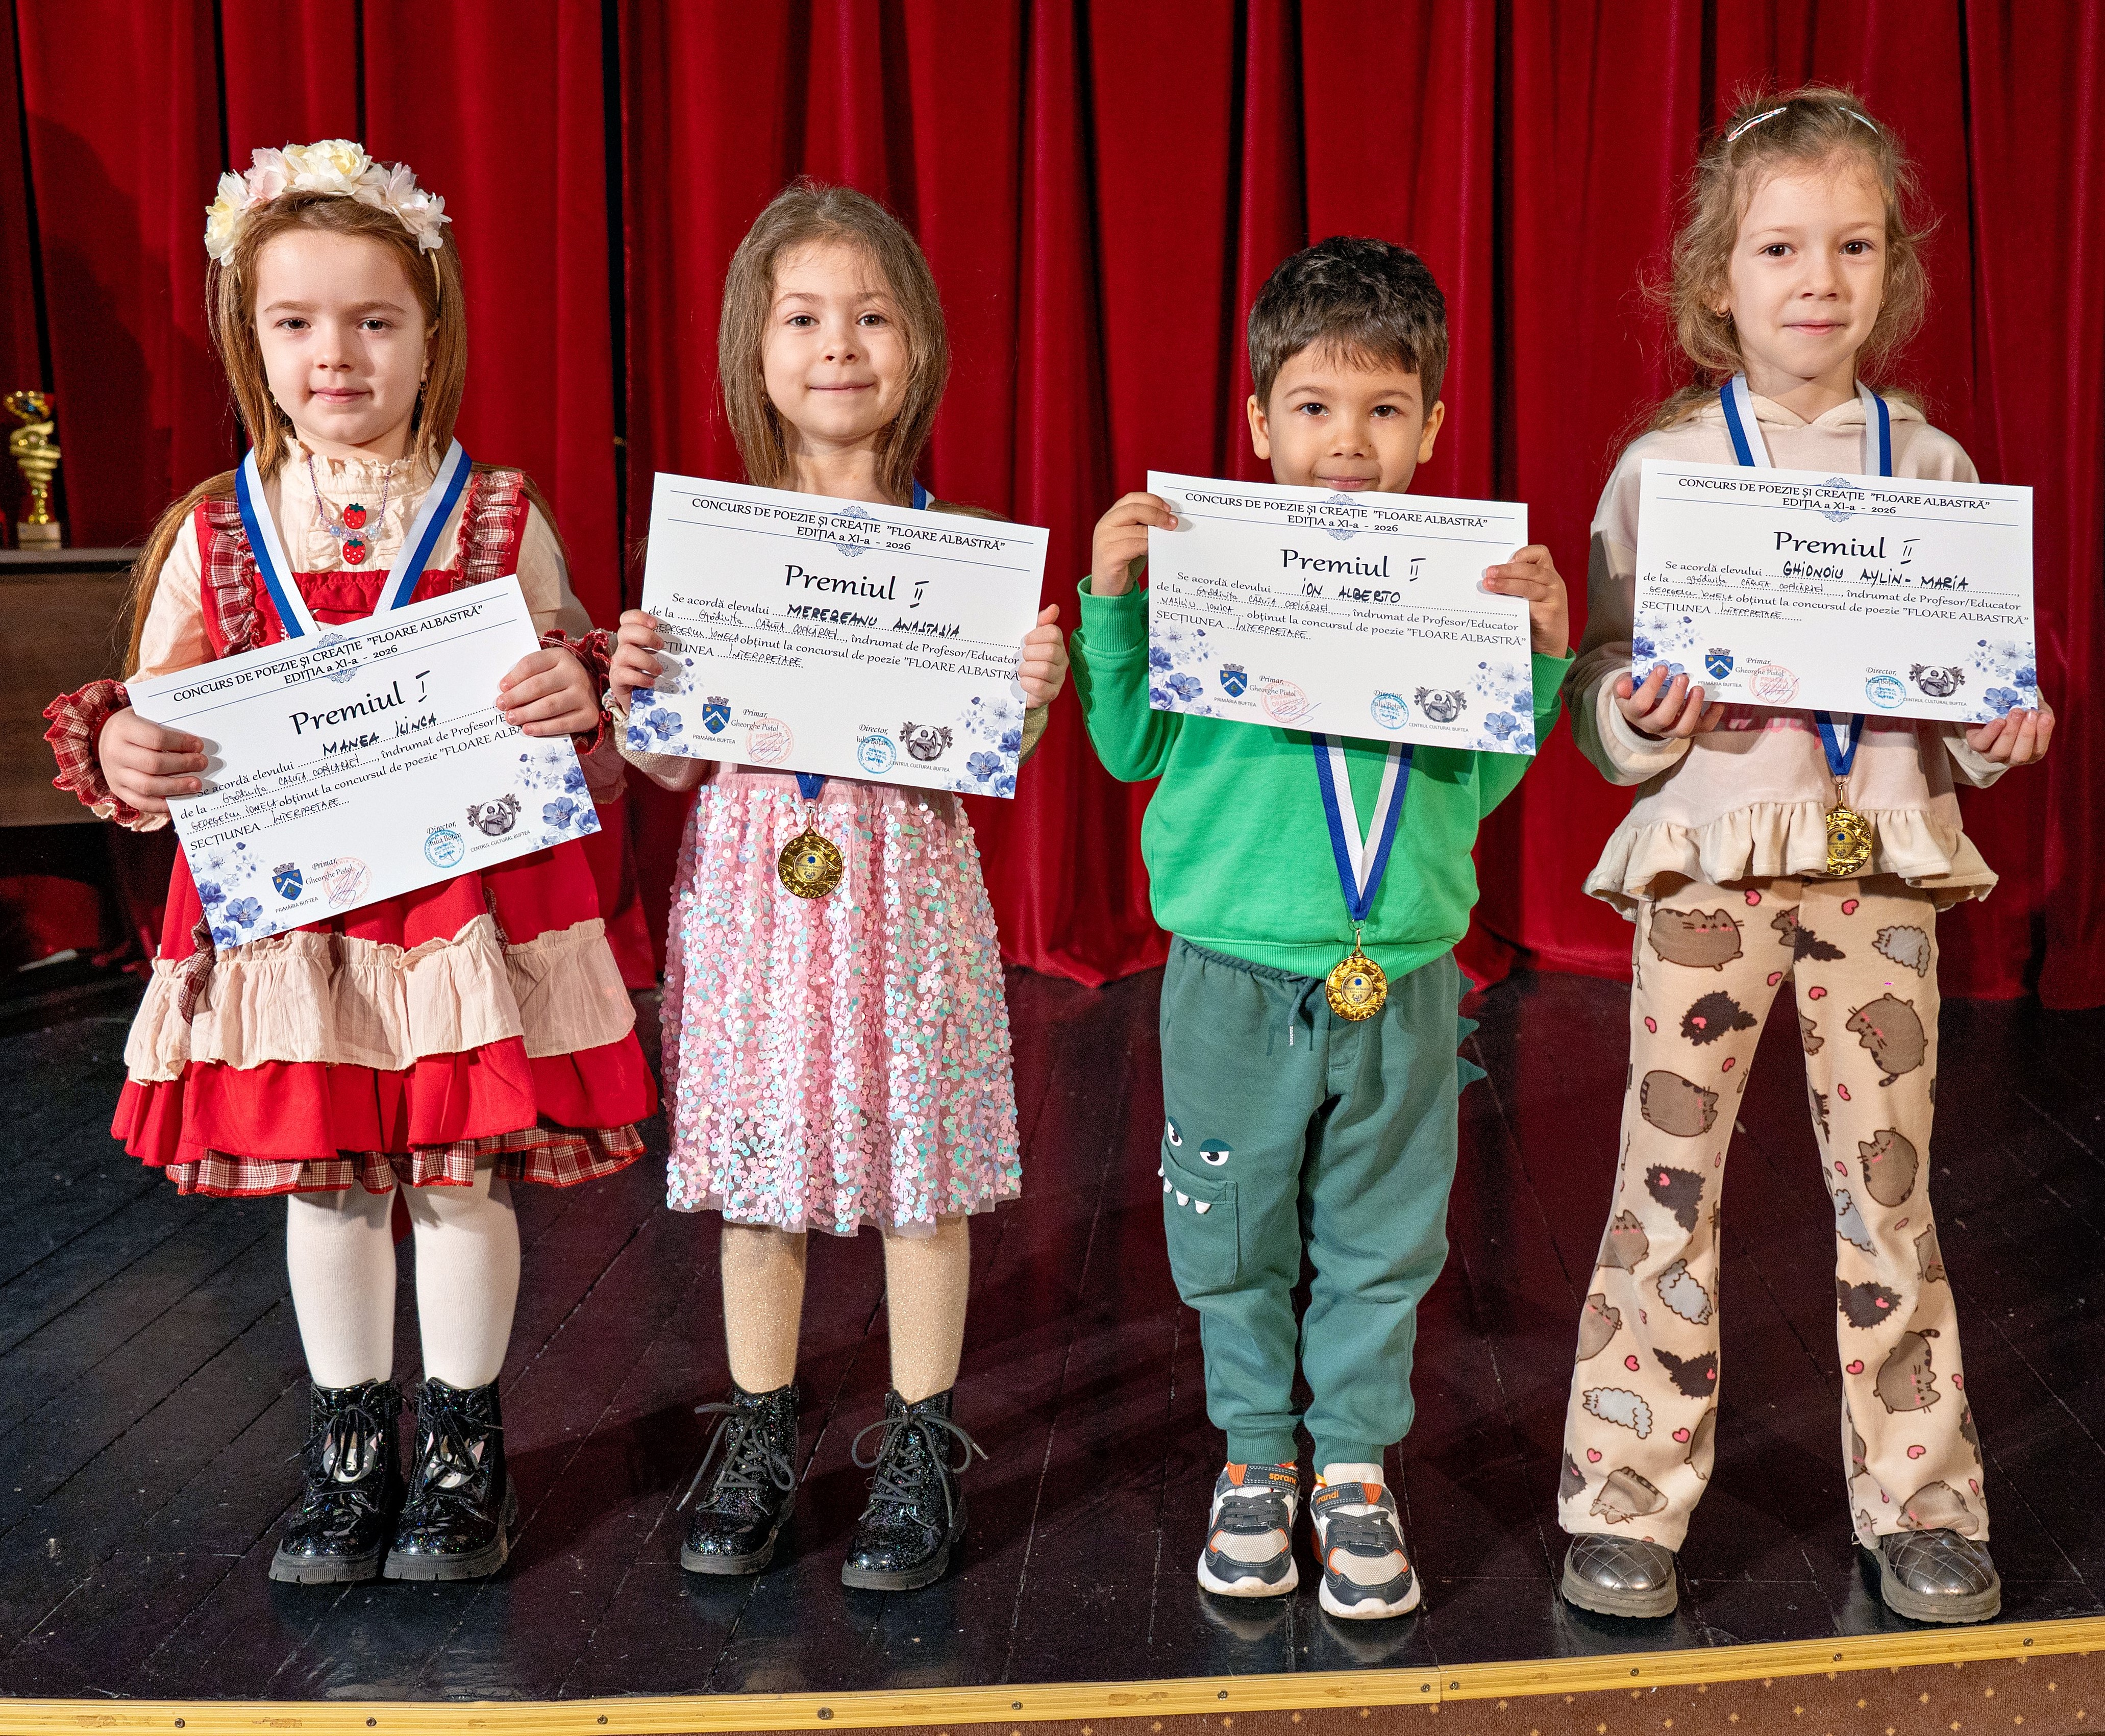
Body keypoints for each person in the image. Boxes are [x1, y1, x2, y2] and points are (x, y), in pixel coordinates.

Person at [40, 140, 655, 1585]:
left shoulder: (499, 514)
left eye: (375, 320)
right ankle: (349, 1447)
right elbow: (151, 713)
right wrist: (125, 748)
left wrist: (576, 696)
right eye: (297, 322)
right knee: (327, 1187)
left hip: (457, 913)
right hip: (296, 929)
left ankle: (463, 1453)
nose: (337, 354)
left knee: (458, 1180)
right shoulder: (216, 528)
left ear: (432, 334)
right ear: (249, 341)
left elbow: (584, 720)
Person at [1553, 87, 2053, 1626]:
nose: (1817, 279)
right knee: (1665, 1186)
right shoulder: (1665, 468)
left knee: (1887, 1197)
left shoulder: (1935, 467)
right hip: (1712, 864)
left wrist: (2001, 730)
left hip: (1882, 869)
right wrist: (1634, 712)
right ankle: (1624, 1498)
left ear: (1892, 269)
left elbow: (1972, 692)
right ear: (1719, 276)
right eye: (1780, 248)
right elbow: (1600, 688)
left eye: (1852, 245)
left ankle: (1923, 1502)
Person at [1070, 236, 1572, 1619]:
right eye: (1313, 406)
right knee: (1230, 1233)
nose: (1348, 441)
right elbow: (1127, 749)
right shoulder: (1208, 565)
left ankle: (1352, 1463)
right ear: (1257, 422)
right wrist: (1114, 603)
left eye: (1384, 408)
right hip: (1230, 973)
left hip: (1402, 976)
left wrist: (1537, 653)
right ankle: (1255, 1455)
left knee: (1384, 1238)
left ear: (1433, 427)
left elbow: (1484, 780)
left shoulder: (1456, 582)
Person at [609, 181, 1068, 1593]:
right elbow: (669, 765)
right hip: (756, 893)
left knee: (920, 1173)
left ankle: (921, 1444)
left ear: (918, 344)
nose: (838, 346)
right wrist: (639, 690)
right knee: (761, 1177)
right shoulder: (712, 550)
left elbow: (994, 758)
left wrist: (1029, 694)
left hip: (905, 889)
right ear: (754, 351)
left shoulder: (961, 552)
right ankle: (759, 1433)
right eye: (803, 318)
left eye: (871, 317)